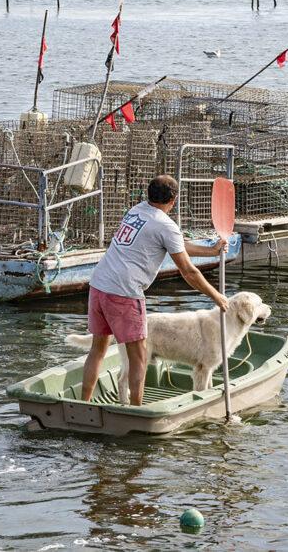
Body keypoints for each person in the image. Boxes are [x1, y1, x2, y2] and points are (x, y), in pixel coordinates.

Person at [81, 174, 229, 406]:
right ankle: (136, 410)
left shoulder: (137, 210)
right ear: (174, 199)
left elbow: (176, 245)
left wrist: (211, 251)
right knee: (139, 357)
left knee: (97, 350)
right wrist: (216, 296)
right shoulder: (165, 225)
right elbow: (188, 272)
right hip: (124, 292)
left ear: (148, 194)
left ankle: (83, 404)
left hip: (99, 285)